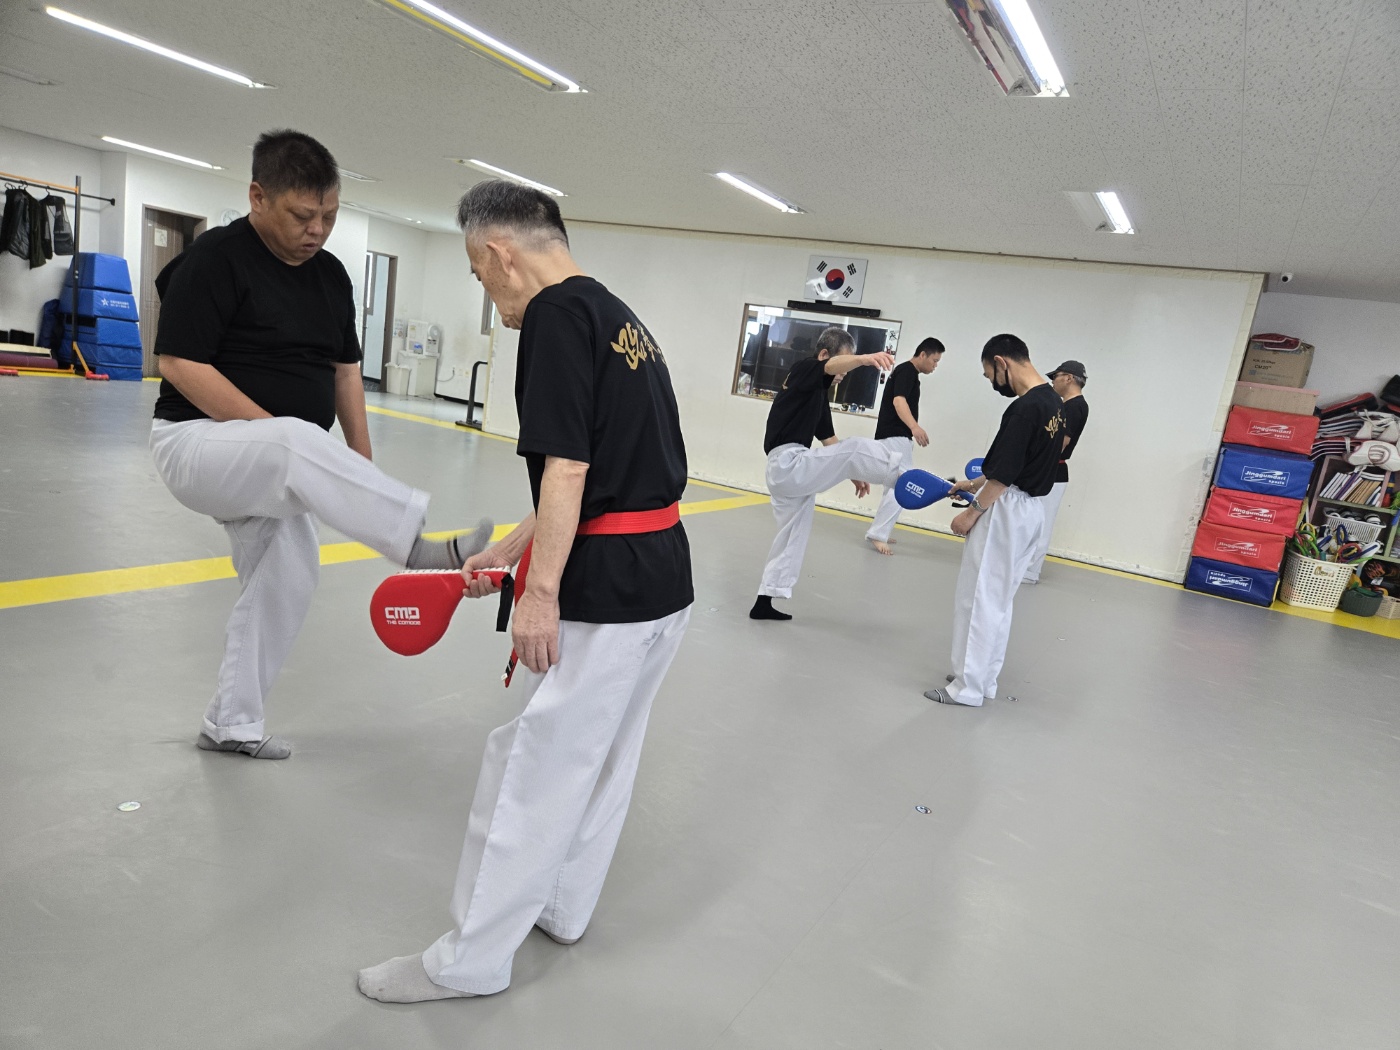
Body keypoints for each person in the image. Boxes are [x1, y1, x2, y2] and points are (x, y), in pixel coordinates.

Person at [357, 180, 693, 1002]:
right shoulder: (618, 317)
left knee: (533, 763)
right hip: (663, 578)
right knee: (604, 754)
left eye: (479, 276)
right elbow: (595, 474)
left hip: (607, 587)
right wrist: (508, 555)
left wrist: (539, 596)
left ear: (499, 253)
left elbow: (569, 468)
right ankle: (563, 906)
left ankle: (468, 962)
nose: (490, 299)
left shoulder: (551, 317)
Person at [149, 130, 490, 760]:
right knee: (293, 441)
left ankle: (231, 724)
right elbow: (178, 363)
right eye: (303, 216)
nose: (318, 230)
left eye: (329, 216)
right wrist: (269, 434)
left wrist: (360, 467)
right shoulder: (214, 259)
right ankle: (416, 548)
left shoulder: (331, 276)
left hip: (277, 460)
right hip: (197, 445)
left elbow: (345, 372)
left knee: (289, 574)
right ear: (257, 197)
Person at [925, 334, 1064, 708]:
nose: (993, 384)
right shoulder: (1053, 401)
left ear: (1001, 362)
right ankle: (983, 678)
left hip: (1005, 508)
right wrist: (970, 484)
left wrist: (972, 512)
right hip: (1031, 510)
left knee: (979, 596)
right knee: (999, 600)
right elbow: (1014, 461)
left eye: (990, 375)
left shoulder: (1023, 409)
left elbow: (1003, 477)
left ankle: (966, 688)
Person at [749, 328, 899, 621]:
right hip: (788, 463)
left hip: (788, 470)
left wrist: (854, 474)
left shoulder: (816, 394)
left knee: (792, 536)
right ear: (823, 354)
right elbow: (830, 368)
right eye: (845, 363)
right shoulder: (803, 369)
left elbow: (829, 440)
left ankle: (764, 601)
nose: (845, 373)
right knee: (856, 448)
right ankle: (904, 477)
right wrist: (865, 359)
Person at [865, 337, 945, 555]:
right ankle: (878, 533)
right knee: (903, 485)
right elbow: (898, 401)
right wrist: (914, 427)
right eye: (934, 361)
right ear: (923, 354)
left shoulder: (907, 373)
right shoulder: (907, 371)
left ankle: (880, 530)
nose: (935, 366)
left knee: (894, 486)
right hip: (895, 436)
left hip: (894, 436)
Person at [1023, 360, 1089, 584]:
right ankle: (1024, 566)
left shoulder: (1074, 407)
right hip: (1050, 469)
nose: (1052, 381)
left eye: (1055, 377)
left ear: (1069, 378)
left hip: (1053, 470)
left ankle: (1030, 571)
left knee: (1042, 522)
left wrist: (1034, 460)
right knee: (1034, 519)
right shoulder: (1067, 405)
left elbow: (1061, 442)